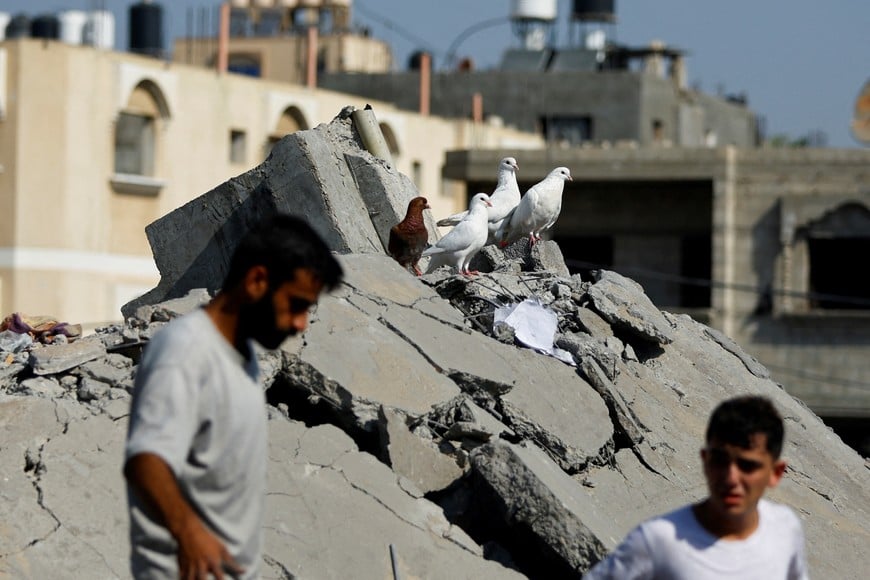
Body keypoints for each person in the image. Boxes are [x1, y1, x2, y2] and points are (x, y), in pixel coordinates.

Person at [124, 214, 343, 580]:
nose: (301, 323)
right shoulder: (185, 349)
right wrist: (190, 534)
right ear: (257, 281)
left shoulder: (243, 358)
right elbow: (146, 460)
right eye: (297, 304)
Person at [585, 395, 809, 579]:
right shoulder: (658, 541)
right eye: (720, 461)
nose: (731, 478)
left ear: (775, 473)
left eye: (747, 466)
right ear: (705, 460)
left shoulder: (784, 529)